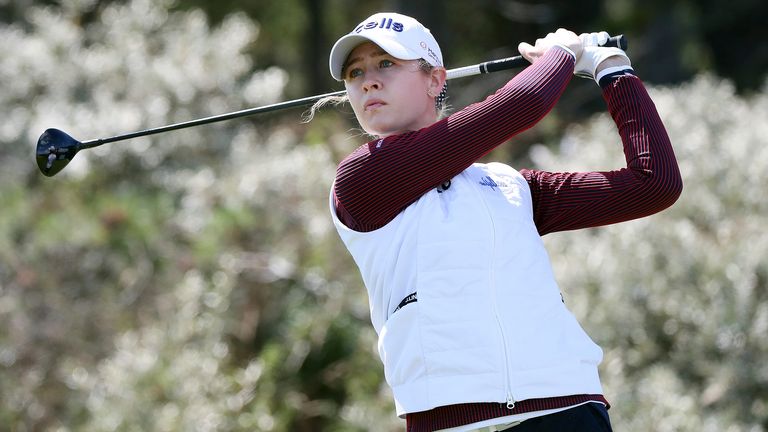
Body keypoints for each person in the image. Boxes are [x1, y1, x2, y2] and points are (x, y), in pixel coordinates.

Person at [323, 11, 682, 432]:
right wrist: (562, 53)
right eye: (355, 72)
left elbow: (653, 183)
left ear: (435, 81)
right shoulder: (362, 178)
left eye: (386, 64)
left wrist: (611, 69)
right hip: (453, 421)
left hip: (566, 409)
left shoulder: (512, 186)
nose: (368, 81)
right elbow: (523, 104)